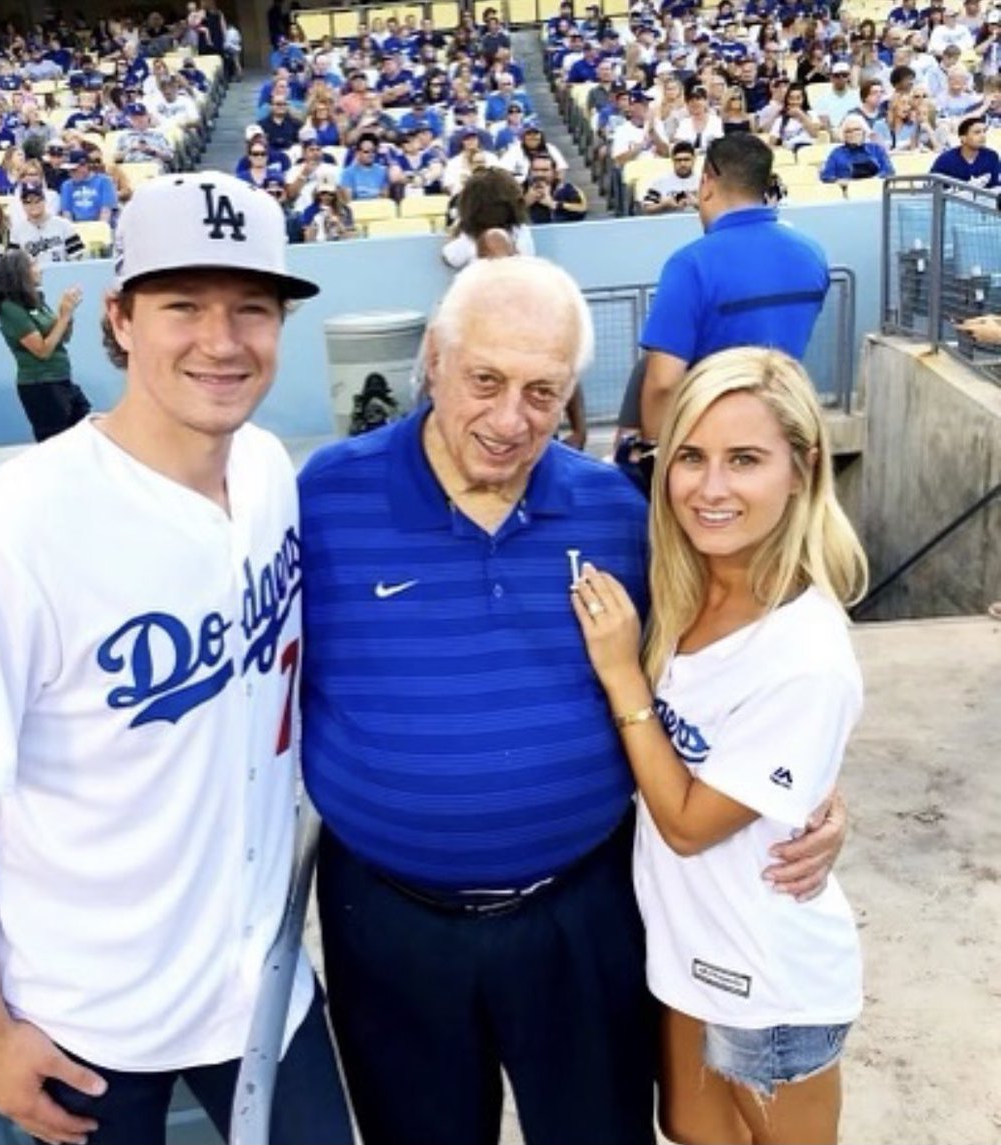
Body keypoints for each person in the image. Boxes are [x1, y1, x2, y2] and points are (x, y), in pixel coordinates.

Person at [299, 257, 846, 1145]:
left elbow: (730, 680)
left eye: (542, 391)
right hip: (387, 921)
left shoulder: (619, 514)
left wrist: (813, 794)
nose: (511, 418)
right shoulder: (322, 500)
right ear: (433, 360)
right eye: (485, 380)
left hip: (582, 911)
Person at [0, 171, 354, 1145]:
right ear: (121, 317)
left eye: (251, 310)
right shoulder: (16, 528)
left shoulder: (268, 470)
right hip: (82, 1020)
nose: (221, 342)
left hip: (258, 985)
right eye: (183, 305)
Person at [570, 347, 867, 1145]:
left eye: (745, 459)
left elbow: (690, 822)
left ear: (802, 468)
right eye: (691, 457)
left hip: (767, 973)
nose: (711, 488)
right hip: (684, 951)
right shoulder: (685, 584)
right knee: (690, 1128)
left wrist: (621, 676)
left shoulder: (803, 651)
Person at [634, 133, 830, 443]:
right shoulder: (813, 255)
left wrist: (655, 458)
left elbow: (662, 384)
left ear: (708, 182)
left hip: (712, 439)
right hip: (787, 431)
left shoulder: (690, 265)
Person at [0, 249, 90, 442]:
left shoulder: (36, 301)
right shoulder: (10, 309)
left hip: (62, 379)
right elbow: (42, 351)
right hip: (41, 386)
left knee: (85, 433)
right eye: (34, 265)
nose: (40, 269)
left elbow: (64, 336)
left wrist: (67, 312)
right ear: (20, 273)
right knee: (56, 446)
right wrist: (64, 316)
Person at [819, 114, 895, 183]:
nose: (853, 134)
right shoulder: (836, 153)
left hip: (875, 189)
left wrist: (875, 180)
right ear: (843, 135)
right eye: (848, 131)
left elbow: (888, 171)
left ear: (864, 132)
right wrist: (840, 181)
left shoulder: (876, 149)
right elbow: (827, 176)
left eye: (856, 129)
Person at [930, 114, 1001, 186]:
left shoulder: (992, 157)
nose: (983, 135)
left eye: (984, 131)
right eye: (977, 132)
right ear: (963, 138)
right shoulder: (945, 160)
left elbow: (997, 187)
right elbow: (931, 188)